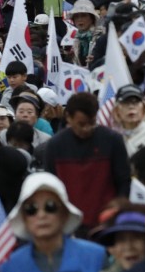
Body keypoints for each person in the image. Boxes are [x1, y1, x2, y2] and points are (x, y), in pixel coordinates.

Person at [43, 93, 131, 228]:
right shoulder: (54, 146)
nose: (87, 129)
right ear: (68, 118)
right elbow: (50, 186)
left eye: (92, 123)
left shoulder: (113, 141)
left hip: (106, 222)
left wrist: (120, 202)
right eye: (81, 124)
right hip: (69, 223)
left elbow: (124, 180)